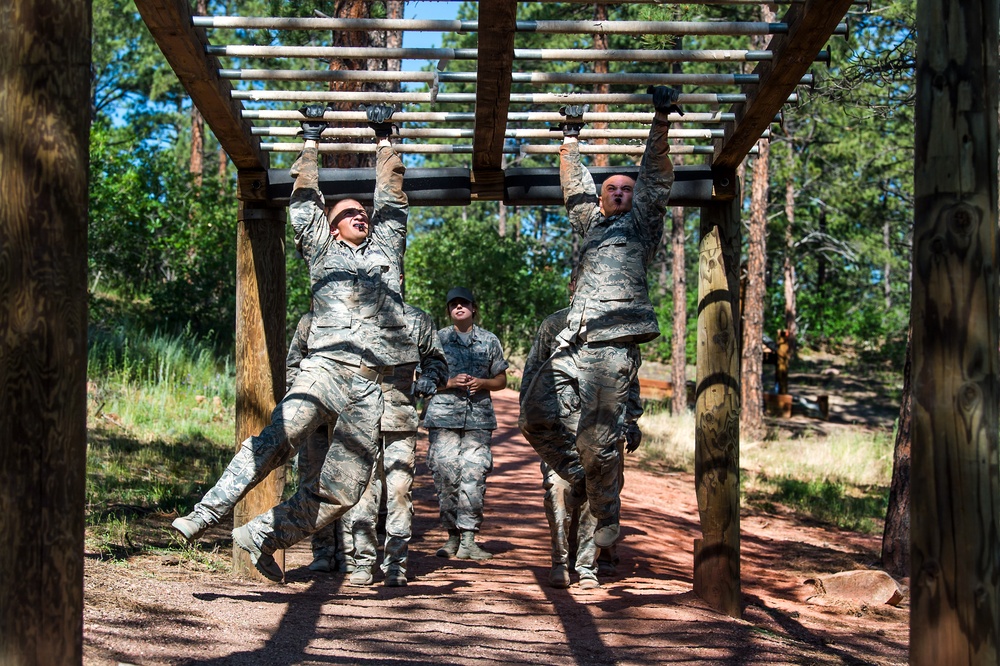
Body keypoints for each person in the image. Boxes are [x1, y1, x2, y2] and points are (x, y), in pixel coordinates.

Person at [170, 103, 410, 582]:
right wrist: (310, 141)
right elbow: (303, 202)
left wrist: (385, 139)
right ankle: (206, 512)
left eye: (364, 212)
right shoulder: (321, 249)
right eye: (349, 213)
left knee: (344, 491)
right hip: (322, 370)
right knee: (275, 442)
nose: (361, 215)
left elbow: (393, 200)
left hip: (367, 388)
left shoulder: (387, 250)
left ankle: (263, 534)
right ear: (331, 224)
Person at [518, 87, 678, 550]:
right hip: (576, 337)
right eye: (614, 189)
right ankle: (580, 479)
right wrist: (570, 135)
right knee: (533, 416)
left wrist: (660, 121)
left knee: (597, 439)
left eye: (627, 190)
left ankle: (606, 513)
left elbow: (654, 179)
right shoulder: (591, 224)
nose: (622, 193)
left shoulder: (642, 225)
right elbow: (574, 187)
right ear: (603, 198)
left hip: (612, 342)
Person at [520, 274, 642, 590]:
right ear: (572, 287)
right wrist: (536, 419)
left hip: (604, 426)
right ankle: (559, 561)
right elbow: (533, 375)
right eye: (581, 283)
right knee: (557, 494)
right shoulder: (554, 324)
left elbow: (629, 379)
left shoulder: (619, 327)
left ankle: (587, 566)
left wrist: (632, 420)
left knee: (594, 494)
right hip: (562, 428)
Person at [339, 300, 448, 587]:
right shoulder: (352, 316)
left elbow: (436, 360)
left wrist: (430, 378)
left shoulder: (417, 319)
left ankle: (396, 563)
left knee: (399, 492)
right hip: (359, 418)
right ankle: (363, 561)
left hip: (399, 417)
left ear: (399, 277)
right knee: (363, 493)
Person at [423, 287, 509, 561]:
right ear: (448, 311)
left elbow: (501, 380)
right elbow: (422, 381)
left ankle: (469, 540)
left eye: (464, 303)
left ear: (473, 308)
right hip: (443, 419)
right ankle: (452, 537)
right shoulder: (436, 341)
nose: (459, 307)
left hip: (478, 420)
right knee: (446, 476)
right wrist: (449, 383)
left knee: (474, 477)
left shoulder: (489, 340)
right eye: (453, 304)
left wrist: (482, 383)